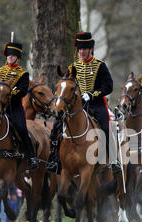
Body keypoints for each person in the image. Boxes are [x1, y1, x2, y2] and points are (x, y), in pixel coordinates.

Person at [48, 31, 117, 173]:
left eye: (84, 49)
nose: (82, 52)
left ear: (90, 49)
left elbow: (108, 86)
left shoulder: (100, 65)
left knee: (105, 127)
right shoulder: (73, 67)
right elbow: (65, 84)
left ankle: (112, 159)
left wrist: (91, 95)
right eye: (80, 49)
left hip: (96, 105)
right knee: (56, 127)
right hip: (76, 106)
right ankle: (54, 159)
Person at [0, 39, 38, 170]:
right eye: (9, 55)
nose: (10, 57)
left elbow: (23, 90)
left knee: (22, 129)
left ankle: (31, 156)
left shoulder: (23, 74)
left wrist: (9, 93)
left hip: (14, 107)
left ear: (18, 58)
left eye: (13, 56)